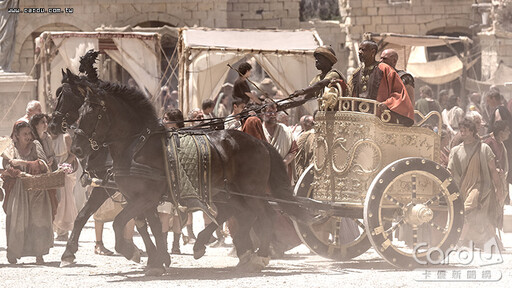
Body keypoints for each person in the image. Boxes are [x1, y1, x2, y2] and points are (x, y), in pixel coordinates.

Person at [1, 121, 53, 264]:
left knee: (38, 220)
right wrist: (14, 170)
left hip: (36, 188)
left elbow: (44, 164)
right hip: (18, 190)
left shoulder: (36, 145)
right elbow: (6, 165)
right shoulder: (10, 147)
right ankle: (13, 252)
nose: (29, 136)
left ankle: (39, 253)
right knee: (17, 219)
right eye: (25, 134)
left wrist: (24, 164)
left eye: (29, 133)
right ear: (16, 135)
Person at [447, 118, 504, 248]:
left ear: (472, 131)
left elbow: (493, 171)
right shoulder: (455, 150)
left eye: (465, 131)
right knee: (477, 218)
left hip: (481, 188)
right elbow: (450, 171)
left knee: (465, 211)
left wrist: (499, 190)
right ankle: (486, 241)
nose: (462, 133)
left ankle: (459, 242)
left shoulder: (484, 148)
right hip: (462, 189)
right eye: (461, 130)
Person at [349, 40, 414, 126]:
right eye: (359, 49)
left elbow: (398, 93)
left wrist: (387, 104)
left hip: (381, 120)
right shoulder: (357, 72)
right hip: (359, 119)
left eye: (363, 50)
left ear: (373, 52)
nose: (360, 52)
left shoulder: (385, 69)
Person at [286, 46, 345, 111]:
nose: (316, 61)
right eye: (316, 58)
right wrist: (284, 106)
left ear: (328, 60)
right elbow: (304, 98)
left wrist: (302, 91)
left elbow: (320, 85)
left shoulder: (334, 74)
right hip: (323, 117)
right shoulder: (317, 78)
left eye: (319, 58)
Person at [29, 114, 58, 218]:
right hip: (36, 174)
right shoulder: (32, 139)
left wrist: (51, 159)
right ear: (36, 125)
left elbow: (52, 154)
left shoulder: (48, 137)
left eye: (46, 122)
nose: (46, 124)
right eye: (43, 122)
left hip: (48, 172)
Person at [262, 99, 298, 182]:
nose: (273, 115)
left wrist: (282, 163)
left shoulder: (285, 131)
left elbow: (293, 151)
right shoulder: (259, 130)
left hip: (283, 174)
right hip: (264, 175)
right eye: (270, 112)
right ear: (262, 114)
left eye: (275, 112)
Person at [51, 130, 78, 241]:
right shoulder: (46, 138)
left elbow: (73, 154)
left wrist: (63, 166)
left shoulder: (65, 137)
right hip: (51, 172)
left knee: (64, 200)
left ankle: (63, 231)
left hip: (65, 171)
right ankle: (53, 229)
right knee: (53, 199)